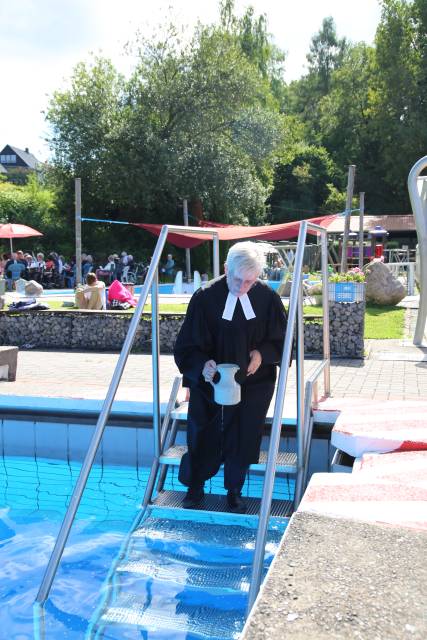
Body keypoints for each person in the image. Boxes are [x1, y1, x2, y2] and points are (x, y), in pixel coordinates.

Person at [174, 241, 288, 513]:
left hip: (253, 382)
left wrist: (262, 354)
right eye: (238, 279)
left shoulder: (267, 298)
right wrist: (202, 365)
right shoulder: (204, 297)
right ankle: (195, 486)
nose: (242, 287)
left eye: (250, 282)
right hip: (210, 381)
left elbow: (282, 339)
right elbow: (187, 345)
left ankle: (234, 490)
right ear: (226, 269)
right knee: (201, 429)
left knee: (245, 432)